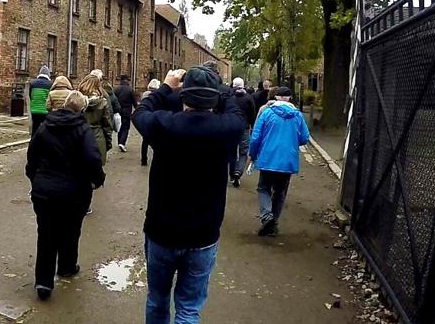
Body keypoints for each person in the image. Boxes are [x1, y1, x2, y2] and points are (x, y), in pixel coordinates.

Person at [132, 67, 247, 324]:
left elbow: (140, 112)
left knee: (157, 298)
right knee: (189, 306)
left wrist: (164, 86)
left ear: (184, 95)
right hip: (203, 233)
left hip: (162, 230)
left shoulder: (165, 125)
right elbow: (236, 111)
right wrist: (222, 89)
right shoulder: (227, 128)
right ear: (214, 97)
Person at [25, 89, 105, 300]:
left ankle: (44, 281)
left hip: (45, 191)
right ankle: (67, 266)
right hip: (74, 192)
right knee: (71, 230)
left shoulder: (45, 126)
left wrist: (35, 179)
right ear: (82, 109)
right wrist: (97, 179)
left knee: (46, 234)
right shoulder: (83, 129)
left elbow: (32, 155)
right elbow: (92, 158)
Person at [248, 86, 311, 236]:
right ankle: (273, 222)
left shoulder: (267, 113)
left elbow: (256, 137)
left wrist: (252, 154)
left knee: (264, 188)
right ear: (289, 98)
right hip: (287, 160)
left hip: (268, 158)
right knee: (280, 192)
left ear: (276, 97)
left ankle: (266, 216)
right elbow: (304, 138)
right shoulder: (297, 116)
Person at [78, 74, 114, 167]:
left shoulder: (76, 101)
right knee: (96, 169)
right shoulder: (102, 102)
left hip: (79, 136)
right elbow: (107, 125)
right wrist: (108, 142)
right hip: (97, 136)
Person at [228, 77, 257, 188]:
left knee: (232, 152)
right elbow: (252, 113)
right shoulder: (248, 98)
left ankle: (232, 174)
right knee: (243, 152)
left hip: (231, 127)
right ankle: (238, 172)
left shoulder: (230, 98)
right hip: (244, 128)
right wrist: (251, 124)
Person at [139, 79, 162, 166]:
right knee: (155, 140)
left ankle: (143, 159)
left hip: (146, 117)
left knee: (145, 141)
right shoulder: (158, 95)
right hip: (155, 117)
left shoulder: (145, 94)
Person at [114, 75, 137, 152]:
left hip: (118, 110)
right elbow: (134, 102)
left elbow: (114, 100)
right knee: (126, 127)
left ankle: (119, 141)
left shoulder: (116, 89)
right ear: (127, 80)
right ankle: (122, 142)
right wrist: (137, 109)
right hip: (127, 111)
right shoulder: (130, 90)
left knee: (119, 126)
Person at [29, 65, 52, 136]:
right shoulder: (50, 84)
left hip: (34, 110)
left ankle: (33, 143)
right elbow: (50, 98)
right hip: (45, 111)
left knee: (35, 128)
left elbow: (30, 95)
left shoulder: (32, 83)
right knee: (45, 129)